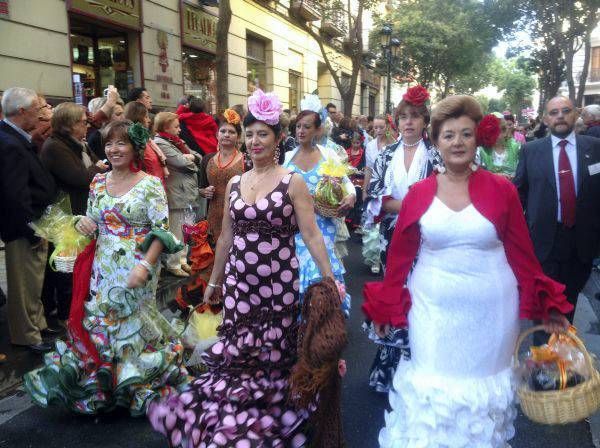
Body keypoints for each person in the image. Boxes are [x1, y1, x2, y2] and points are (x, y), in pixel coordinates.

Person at [363, 95, 572, 447]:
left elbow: (523, 257)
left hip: (491, 315)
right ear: (437, 142)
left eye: (465, 134)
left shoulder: (502, 190)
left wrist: (548, 306)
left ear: (477, 139)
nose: (457, 142)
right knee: (432, 389)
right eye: (448, 135)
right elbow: (399, 259)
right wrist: (385, 310)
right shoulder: (418, 193)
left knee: (480, 402)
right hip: (432, 311)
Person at [148, 89, 337, 447]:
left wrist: (329, 280)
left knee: (273, 351)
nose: (253, 141)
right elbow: (225, 239)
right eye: (249, 134)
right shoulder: (235, 182)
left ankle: (267, 415)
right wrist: (214, 282)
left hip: (278, 281)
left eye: (262, 134)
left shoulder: (292, 182)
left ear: (277, 138)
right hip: (239, 283)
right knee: (239, 349)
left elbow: (312, 236)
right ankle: (237, 410)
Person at [24, 120, 189, 415]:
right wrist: (80, 223)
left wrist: (145, 265)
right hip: (103, 265)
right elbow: (92, 224)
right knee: (105, 322)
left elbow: (163, 232)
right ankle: (108, 387)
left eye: (121, 143)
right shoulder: (98, 182)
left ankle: (137, 387)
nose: (114, 150)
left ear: (135, 148)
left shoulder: (150, 184)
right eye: (109, 144)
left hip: (138, 266)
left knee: (134, 324)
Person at [364, 85, 441, 394]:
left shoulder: (436, 154)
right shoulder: (386, 154)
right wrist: (415, 206)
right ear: (397, 121)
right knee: (395, 297)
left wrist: (408, 206)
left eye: (415, 117)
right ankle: (389, 368)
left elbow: (444, 194)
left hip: (428, 239)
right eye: (404, 117)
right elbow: (375, 195)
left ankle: (421, 366)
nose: (409, 122)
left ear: (425, 121)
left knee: (422, 298)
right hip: (392, 239)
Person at [514, 96, 600, 325]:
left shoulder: (595, 148)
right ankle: (542, 356)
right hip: (543, 243)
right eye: (553, 112)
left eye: (565, 111)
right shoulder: (530, 151)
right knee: (544, 310)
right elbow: (518, 196)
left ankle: (563, 355)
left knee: (568, 306)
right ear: (545, 119)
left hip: (582, 244)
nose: (560, 116)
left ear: (575, 115)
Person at [39, 102, 108, 328]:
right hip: (66, 217)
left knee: (79, 266)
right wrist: (97, 168)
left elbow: (94, 167)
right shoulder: (55, 147)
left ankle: (75, 310)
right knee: (65, 270)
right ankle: (65, 315)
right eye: (82, 122)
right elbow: (80, 178)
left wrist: (96, 167)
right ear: (68, 125)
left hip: (81, 211)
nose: (87, 125)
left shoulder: (78, 144)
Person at [0, 87, 57, 353]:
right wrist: (31, 229)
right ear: (22, 111)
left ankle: (36, 326)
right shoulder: (9, 142)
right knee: (24, 285)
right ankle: (26, 336)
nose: (42, 113)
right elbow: (14, 194)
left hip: (33, 223)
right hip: (24, 228)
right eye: (37, 108)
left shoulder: (17, 138)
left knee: (33, 282)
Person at [284, 109, 355, 317]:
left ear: (318, 130)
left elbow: (347, 183)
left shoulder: (328, 155)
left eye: (307, 126)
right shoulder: (287, 158)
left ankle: (324, 320)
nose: (301, 131)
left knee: (318, 268)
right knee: (298, 271)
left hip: (323, 225)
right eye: (298, 126)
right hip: (294, 227)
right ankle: (302, 322)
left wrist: (350, 196)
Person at [153, 112, 202, 277]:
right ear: (166, 127)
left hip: (186, 192)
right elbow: (182, 163)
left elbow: (197, 156)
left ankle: (181, 260)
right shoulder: (161, 142)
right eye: (176, 126)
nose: (180, 130)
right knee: (176, 230)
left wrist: (191, 158)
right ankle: (173, 263)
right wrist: (191, 159)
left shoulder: (177, 142)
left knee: (185, 229)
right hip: (176, 193)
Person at [198, 108, 246, 245]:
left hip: (237, 219)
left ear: (238, 136)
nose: (226, 135)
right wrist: (204, 192)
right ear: (217, 134)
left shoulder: (246, 160)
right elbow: (200, 188)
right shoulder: (207, 159)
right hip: (212, 218)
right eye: (223, 131)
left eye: (231, 132)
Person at [362, 115, 396, 274]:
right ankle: (374, 258)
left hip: (390, 188)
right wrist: (364, 189)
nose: (378, 130)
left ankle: (389, 257)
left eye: (381, 127)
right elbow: (368, 168)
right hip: (374, 188)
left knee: (389, 225)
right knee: (373, 225)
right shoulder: (369, 146)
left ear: (388, 127)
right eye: (375, 127)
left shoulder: (395, 144)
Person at [123, 101, 169, 187]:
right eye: (146, 117)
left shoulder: (147, 140)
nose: (149, 120)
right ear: (138, 118)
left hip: (157, 186)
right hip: (147, 189)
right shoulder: (134, 142)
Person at [477, 113, 521, 179]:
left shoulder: (516, 147)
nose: (505, 134)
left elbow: (522, 173)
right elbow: (474, 173)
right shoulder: (481, 150)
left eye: (504, 129)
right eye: (495, 131)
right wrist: (494, 176)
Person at [346, 132, 366, 230]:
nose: (355, 145)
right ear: (351, 142)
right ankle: (347, 217)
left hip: (359, 179)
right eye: (354, 143)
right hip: (348, 178)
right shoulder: (346, 152)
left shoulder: (363, 153)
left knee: (358, 192)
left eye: (357, 143)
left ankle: (355, 220)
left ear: (361, 143)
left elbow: (364, 168)